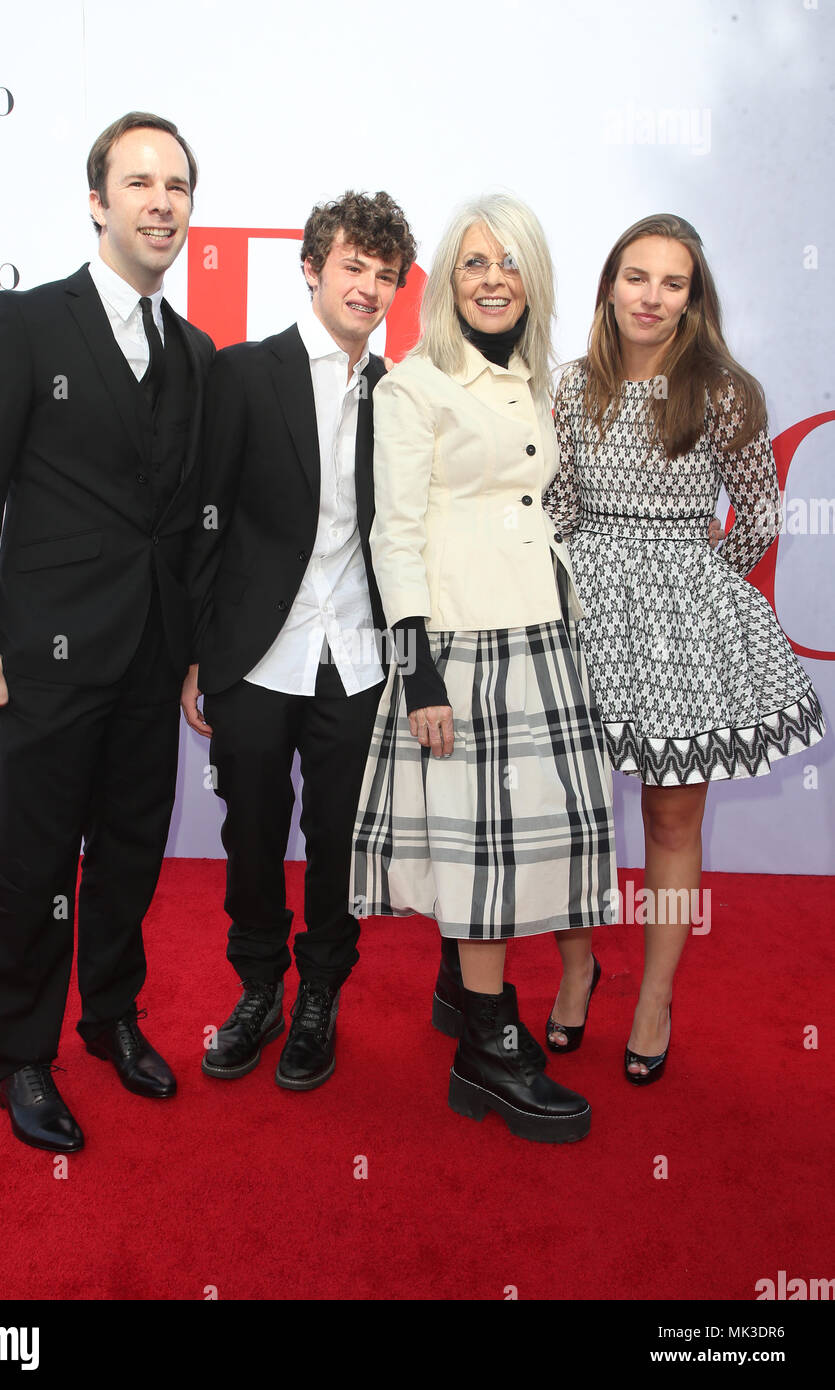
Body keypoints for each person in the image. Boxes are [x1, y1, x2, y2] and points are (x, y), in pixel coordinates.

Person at [0, 112, 216, 1152]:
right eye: (138, 182)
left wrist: (192, 650)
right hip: (44, 654)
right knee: (37, 862)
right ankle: (20, 1054)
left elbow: (184, 521)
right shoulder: (26, 322)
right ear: (97, 200)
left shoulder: (191, 352)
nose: (159, 201)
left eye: (176, 185)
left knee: (134, 852)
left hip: (149, 653)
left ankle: (108, 1016)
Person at [350, 195, 616, 1143]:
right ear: (447, 281)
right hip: (458, 647)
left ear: (532, 276)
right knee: (483, 853)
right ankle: (489, 1049)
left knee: (518, 842)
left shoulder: (542, 381)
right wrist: (416, 675)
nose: (491, 277)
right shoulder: (412, 388)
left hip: (541, 631)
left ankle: (464, 1000)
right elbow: (395, 536)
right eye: (471, 262)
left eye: (508, 261)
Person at [543, 212, 826, 1083]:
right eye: (637, 277)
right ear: (609, 284)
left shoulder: (725, 392)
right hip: (578, 611)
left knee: (671, 816)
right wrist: (553, 580)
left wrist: (698, 589)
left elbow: (758, 513)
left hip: (679, 624)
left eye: (673, 282)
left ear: (693, 297)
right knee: (572, 816)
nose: (652, 297)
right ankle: (575, 967)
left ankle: (656, 995)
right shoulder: (564, 386)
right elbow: (551, 505)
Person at [182, 191, 417, 1091]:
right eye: (352, 266)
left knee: (338, 838)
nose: (367, 286)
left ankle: (319, 995)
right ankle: (257, 991)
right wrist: (199, 655)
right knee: (250, 830)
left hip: (357, 655)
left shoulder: (400, 393)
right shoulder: (245, 372)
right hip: (256, 650)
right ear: (313, 267)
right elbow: (204, 521)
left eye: (384, 273)